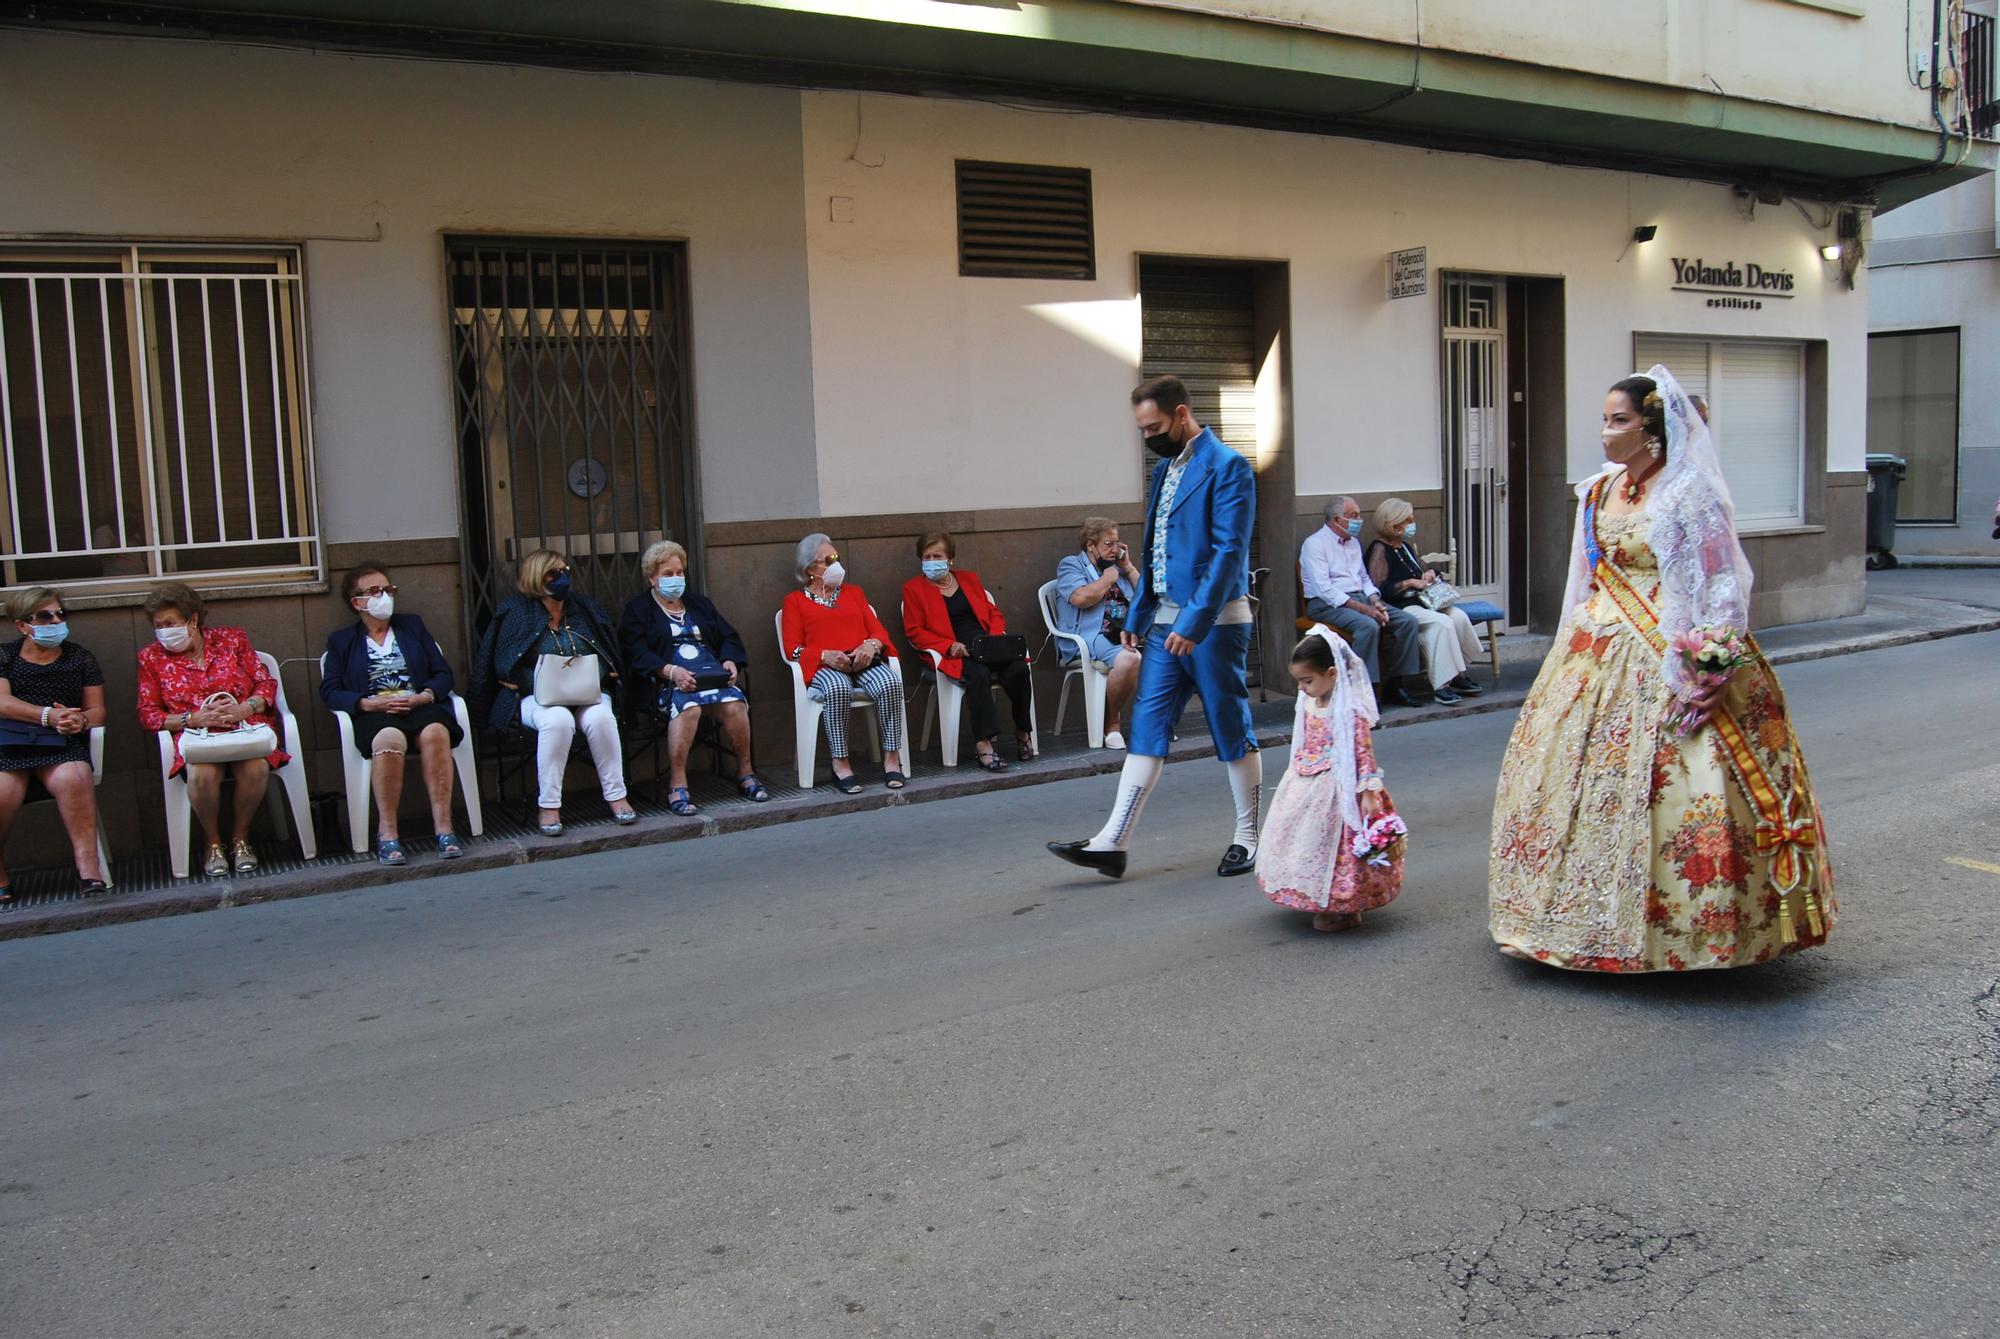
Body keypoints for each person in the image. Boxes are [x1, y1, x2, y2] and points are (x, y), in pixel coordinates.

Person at [1488, 366, 1836, 972]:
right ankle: (1562, 916)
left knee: (1681, 782)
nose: (1605, 431)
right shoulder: (1598, 491)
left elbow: (1722, 578)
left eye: (1618, 420)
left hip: (1670, 642)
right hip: (1598, 645)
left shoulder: (1687, 492)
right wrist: (1570, 642)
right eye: (1605, 419)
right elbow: (1583, 576)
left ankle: (1690, 935)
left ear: (1653, 430)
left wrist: (1713, 659)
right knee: (1564, 773)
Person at [1047, 374, 1261, 880]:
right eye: (1142, 429)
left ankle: (1249, 836)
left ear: (1182, 414)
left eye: (1155, 427)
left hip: (1215, 624)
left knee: (1230, 727)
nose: (1148, 438)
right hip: (1163, 623)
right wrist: (1140, 614)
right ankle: (1112, 842)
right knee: (1146, 728)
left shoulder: (1230, 467)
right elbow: (1150, 551)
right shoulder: (1165, 470)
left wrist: (1193, 621)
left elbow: (1230, 553)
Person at [472, 549, 634, 836]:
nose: (562, 579)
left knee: (600, 718)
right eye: (553, 574)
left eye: (565, 572)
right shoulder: (515, 612)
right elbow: (501, 663)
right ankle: (549, 806)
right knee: (558, 721)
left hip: (588, 692)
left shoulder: (584, 608)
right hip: (536, 697)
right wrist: (535, 680)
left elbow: (607, 653)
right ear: (536, 577)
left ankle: (617, 796)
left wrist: (595, 675)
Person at [136, 582, 290, 878]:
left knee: (256, 768)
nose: (163, 631)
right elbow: (148, 713)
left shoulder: (231, 640)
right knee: (203, 774)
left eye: (170, 623)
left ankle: (241, 839)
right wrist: (191, 719)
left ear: (192, 620)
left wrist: (247, 707)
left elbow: (265, 682)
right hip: (197, 737)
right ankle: (213, 843)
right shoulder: (151, 658)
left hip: (245, 729)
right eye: (158, 626)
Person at [320, 560, 466, 865]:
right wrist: (366, 703)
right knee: (388, 739)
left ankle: (444, 827)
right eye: (375, 591)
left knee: (437, 732)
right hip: (375, 712)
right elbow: (330, 691)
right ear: (357, 602)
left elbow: (442, 674)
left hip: (418, 706)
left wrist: (423, 696)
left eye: (388, 589)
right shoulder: (342, 641)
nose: (384, 596)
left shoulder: (412, 626)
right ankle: (387, 832)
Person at [1257, 627, 1403, 932]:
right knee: (1306, 842)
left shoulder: (1349, 710)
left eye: (1307, 680)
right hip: (1307, 780)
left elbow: (1362, 751)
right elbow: (1305, 740)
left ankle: (1345, 907)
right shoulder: (1310, 703)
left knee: (1342, 847)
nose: (1302, 688)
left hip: (1340, 786)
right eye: (1299, 680)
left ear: (1332, 673)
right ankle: (1316, 896)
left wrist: (1368, 791)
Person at [619, 540, 768, 816]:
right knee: (689, 707)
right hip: (666, 683)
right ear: (652, 577)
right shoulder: (638, 610)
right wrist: (671, 671)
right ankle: (677, 782)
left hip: (710, 677)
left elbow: (728, 636)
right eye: (667, 574)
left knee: (735, 703)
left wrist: (730, 661)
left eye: (679, 573)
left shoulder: (699, 604)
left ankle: (745, 772)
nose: (675, 579)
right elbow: (635, 652)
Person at [0, 587, 108, 903]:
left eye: (60, 614)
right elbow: (2, 703)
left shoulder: (81, 658)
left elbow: (97, 711)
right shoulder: (4, 656)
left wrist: (80, 721)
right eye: (46, 616)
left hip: (62, 746)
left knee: (74, 776)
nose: (56, 620)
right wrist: (49, 715)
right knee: (2, 792)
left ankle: (89, 868)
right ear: (22, 625)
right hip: (11, 745)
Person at [780, 533, 908, 793]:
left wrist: (869, 646)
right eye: (829, 559)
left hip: (862, 661)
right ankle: (841, 763)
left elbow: (880, 633)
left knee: (890, 683)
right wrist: (824, 655)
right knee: (838, 689)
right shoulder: (794, 602)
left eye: (837, 557)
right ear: (809, 569)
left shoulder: (854, 593)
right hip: (826, 666)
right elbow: (792, 649)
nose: (836, 564)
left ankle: (892, 758)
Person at [902, 531, 1034, 771]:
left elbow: (993, 612)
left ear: (950, 558)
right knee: (978, 675)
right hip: (953, 653)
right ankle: (984, 744)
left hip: (986, 646)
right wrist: (948, 646)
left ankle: (1023, 731)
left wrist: (993, 638)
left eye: (937, 556)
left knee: (1018, 670)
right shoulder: (914, 589)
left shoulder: (969, 579)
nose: (932, 561)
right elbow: (915, 631)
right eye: (927, 557)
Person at [1300, 497, 1422, 708]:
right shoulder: (1315, 544)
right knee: (1368, 625)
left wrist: (1375, 601)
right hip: (1326, 603)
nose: (1359, 519)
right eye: (1354, 515)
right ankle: (1363, 691)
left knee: (1407, 621)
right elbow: (1325, 589)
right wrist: (1365, 609)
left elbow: (1364, 579)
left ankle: (1395, 684)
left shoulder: (1353, 542)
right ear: (1338, 519)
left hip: (1360, 598)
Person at [1364, 498, 1487, 705]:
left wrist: (1430, 573)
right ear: (1394, 524)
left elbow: (1422, 568)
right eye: (1408, 519)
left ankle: (1457, 674)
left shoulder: (1405, 547)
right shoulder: (1379, 549)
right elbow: (1379, 588)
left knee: (1458, 617)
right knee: (1442, 624)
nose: (1412, 523)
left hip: (1423, 601)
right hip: (1402, 606)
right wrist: (1408, 582)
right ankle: (1441, 685)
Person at [1053, 517, 1143, 749]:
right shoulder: (1071, 565)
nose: (1115, 549)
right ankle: (1111, 722)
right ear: (1091, 545)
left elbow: (1146, 599)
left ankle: (1160, 722)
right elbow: (1080, 598)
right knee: (1129, 658)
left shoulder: (1118, 568)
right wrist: (1107, 579)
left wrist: (1129, 568)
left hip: (1127, 632)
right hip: (1091, 636)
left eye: (1117, 543)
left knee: (1170, 648)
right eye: (1108, 544)